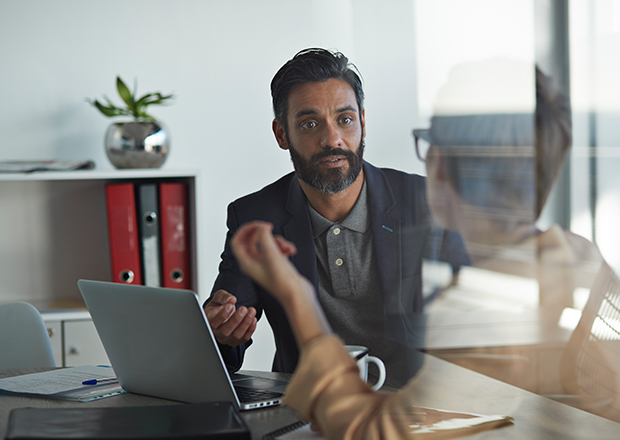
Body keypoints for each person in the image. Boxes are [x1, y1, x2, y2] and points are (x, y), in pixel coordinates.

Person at [227, 60, 607, 437]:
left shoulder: (487, 303)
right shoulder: (580, 258)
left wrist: (295, 295)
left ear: (441, 165)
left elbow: (366, 427)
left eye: (430, 143)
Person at [205, 48, 467, 387]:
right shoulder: (255, 217)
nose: (332, 139)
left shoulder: (426, 203)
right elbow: (225, 342)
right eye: (310, 124)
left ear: (362, 122)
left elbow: (472, 330)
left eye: (344, 120)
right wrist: (221, 331)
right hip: (309, 414)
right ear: (282, 134)